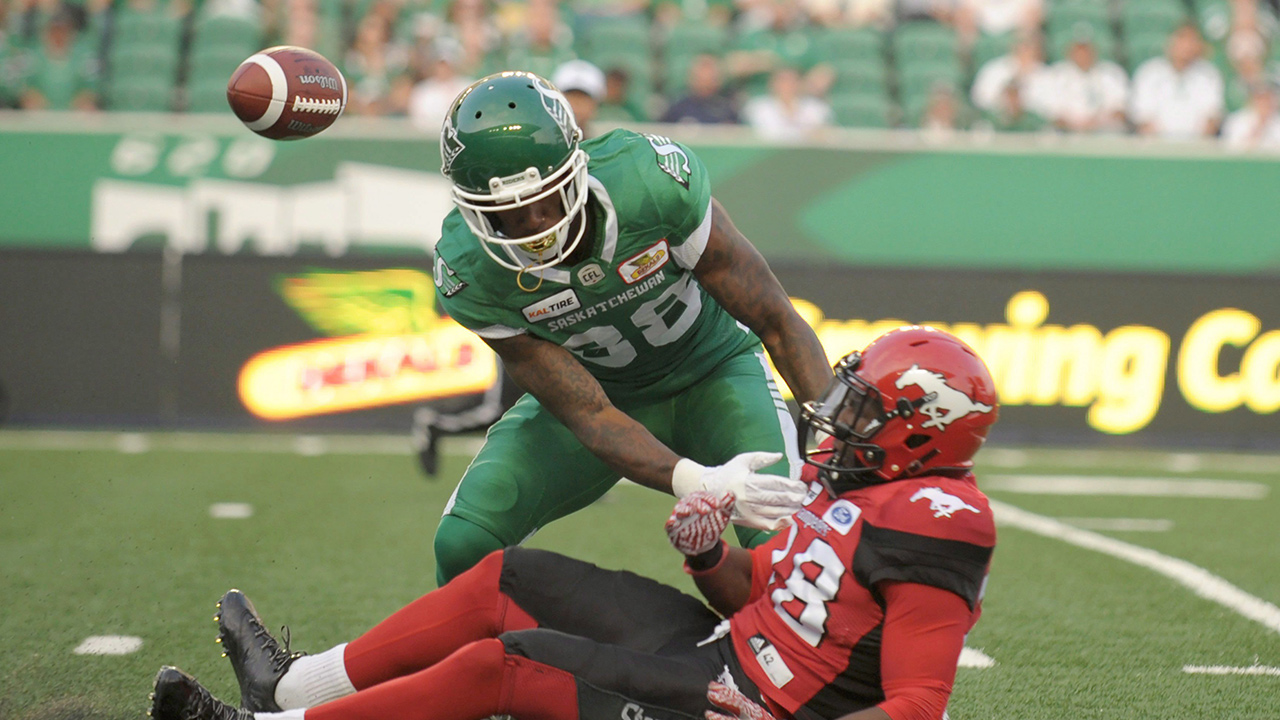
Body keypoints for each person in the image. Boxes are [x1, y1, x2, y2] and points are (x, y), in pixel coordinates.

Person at [148, 325, 1000, 720]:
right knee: (513, 575)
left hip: (753, 707)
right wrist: (707, 558)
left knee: (508, 664)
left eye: (859, 408)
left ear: (919, 428)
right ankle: (290, 689)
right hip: (727, 656)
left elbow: (920, 702)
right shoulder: (852, 481)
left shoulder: (937, 520)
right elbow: (761, 595)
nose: (834, 417)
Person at [428, 71, 832, 583]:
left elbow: (775, 319)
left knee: (787, 547)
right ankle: (486, 661)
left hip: (716, 375)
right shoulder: (471, 270)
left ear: (573, 168)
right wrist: (697, 481)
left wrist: (832, 440)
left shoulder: (648, 185)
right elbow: (588, 414)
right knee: (464, 541)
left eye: (543, 199)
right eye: (505, 213)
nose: (532, 224)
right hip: (603, 395)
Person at [1130, 22, 1225, 140]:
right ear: (1170, 42)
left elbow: (1212, 119)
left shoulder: (1208, 75)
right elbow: (1143, 120)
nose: (1187, 46)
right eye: (1182, 39)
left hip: (1197, 150)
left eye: (1192, 41)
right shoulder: (1149, 73)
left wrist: (1195, 149)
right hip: (1156, 149)